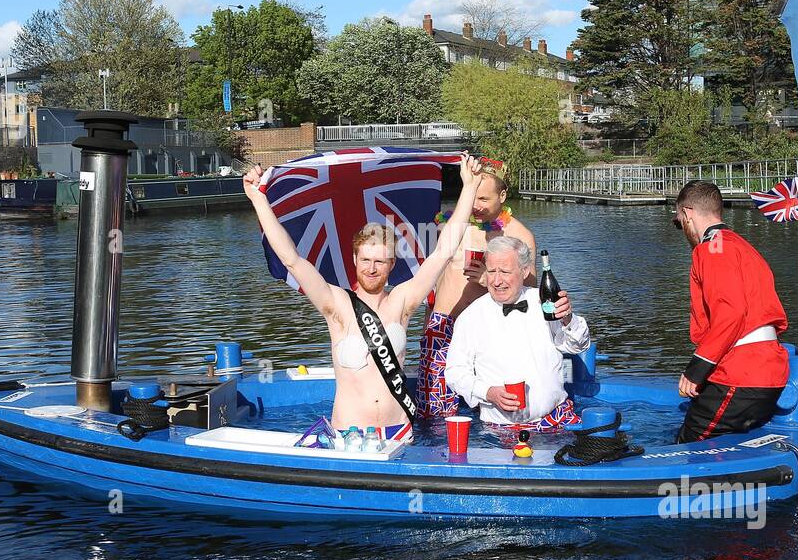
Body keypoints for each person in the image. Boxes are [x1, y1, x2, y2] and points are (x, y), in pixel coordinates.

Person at [242, 153, 484, 442]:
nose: (371, 269)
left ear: (392, 264)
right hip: (349, 435)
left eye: (380, 262)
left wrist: (469, 187)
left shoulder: (402, 302)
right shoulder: (336, 304)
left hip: (400, 432)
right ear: (355, 258)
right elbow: (291, 259)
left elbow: (443, 251)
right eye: (366, 259)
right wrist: (258, 199)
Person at [673, 180, 790, 443]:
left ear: (688, 214)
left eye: (678, 222)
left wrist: (696, 370)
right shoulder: (742, 246)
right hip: (768, 371)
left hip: (742, 373)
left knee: (688, 444)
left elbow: (731, 312)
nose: (681, 229)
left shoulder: (712, 249)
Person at [418, 160, 536, 418]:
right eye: (471, 196)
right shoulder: (453, 226)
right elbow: (435, 278)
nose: (476, 205)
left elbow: (532, 291)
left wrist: (490, 279)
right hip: (444, 324)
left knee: (498, 406)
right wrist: (428, 323)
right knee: (434, 408)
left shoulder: (519, 235)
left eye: (483, 198)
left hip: (491, 330)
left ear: (502, 196)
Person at [444, 235, 588, 430]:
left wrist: (567, 319)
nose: (496, 281)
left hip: (557, 422)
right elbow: (455, 372)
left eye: (504, 271)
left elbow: (577, 345)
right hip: (500, 431)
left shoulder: (544, 302)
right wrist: (488, 392)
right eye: (491, 271)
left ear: (524, 270)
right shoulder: (470, 317)